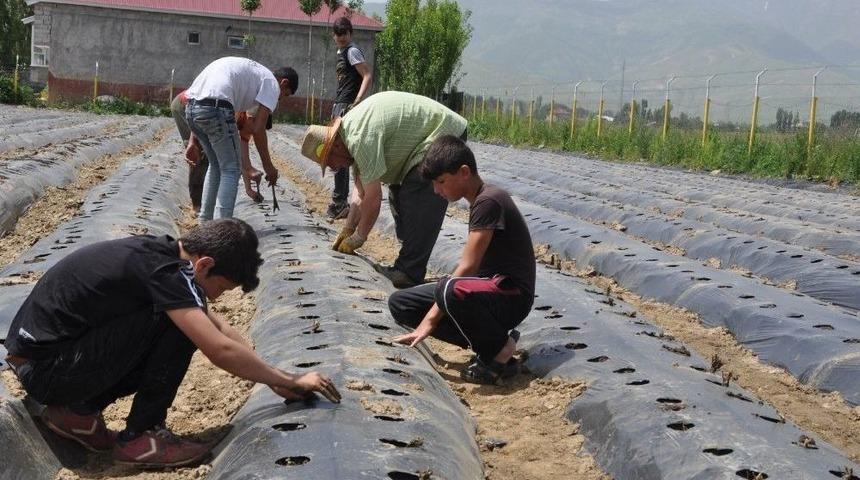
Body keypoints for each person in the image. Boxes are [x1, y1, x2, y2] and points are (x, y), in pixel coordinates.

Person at [3, 219, 341, 468]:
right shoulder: (168, 274)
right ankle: (140, 437)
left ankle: (78, 413)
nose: (216, 297)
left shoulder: (165, 258)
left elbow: (217, 325)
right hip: (48, 371)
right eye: (220, 288)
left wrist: (275, 377)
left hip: (45, 362)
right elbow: (218, 349)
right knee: (176, 327)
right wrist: (286, 380)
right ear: (205, 264)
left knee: (180, 319)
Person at [389, 135, 536, 385]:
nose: (437, 191)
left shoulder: (488, 201)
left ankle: (499, 350)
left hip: (511, 295)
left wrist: (429, 322)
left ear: (464, 172)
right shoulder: (482, 200)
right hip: (490, 292)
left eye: (442, 182)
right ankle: (492, 343)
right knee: (400, 304)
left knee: (448, 291)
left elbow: (469, 265)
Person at [300, 91, 467, 289]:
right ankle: (411, 255)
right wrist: (349, 228)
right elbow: (360, 191)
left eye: (330, 163)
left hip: (443, 131)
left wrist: (359, 237)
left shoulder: (358, 138)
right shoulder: (350, 138)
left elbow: (372, 199)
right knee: (397, 194)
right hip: (420, 145)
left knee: (418, 188)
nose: (334, 168)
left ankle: (408, 271)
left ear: (335, 146)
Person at [185, 57, 296, 220]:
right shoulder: (271, 83)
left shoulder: (252, 75)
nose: (280, 99)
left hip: (192, 108)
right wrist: (269, 167)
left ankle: (206, 223)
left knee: (216, 165)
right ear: (284, 83)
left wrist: (192, 141)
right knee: (231, 169)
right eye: (284, 95)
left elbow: (207, 98)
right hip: (216, 107)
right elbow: (258, 129)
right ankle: (220, 230)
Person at [326, 16, 373, 220]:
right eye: (338, 34)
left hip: (347, 106)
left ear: (350, 33)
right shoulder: (341, 52)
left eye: (344, 33)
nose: (341, 37)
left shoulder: (352, 51)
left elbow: (367, 75)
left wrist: (358, 100)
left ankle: (341, 202)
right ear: (334, 36)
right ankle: (341, 201)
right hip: (340, 104)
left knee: (340, 154)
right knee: (335, 153)